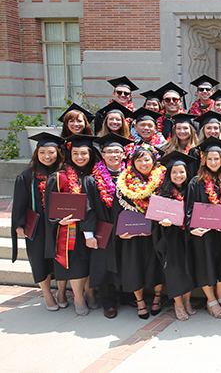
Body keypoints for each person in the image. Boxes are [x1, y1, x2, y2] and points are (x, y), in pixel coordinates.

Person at [185, 137, 221, 319]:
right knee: (205, 264)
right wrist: (192, 227)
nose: (213, 162)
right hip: (204, 234)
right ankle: (211, 300)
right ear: (204, 161)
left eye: (217, 158)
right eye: (209, 159)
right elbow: (190, 208)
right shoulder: (196, 182)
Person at [44, 134, 98, 316]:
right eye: (75, 153)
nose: (80, 157)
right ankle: (78, 298)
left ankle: (90, 293)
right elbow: (50, 205)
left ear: (90, 154)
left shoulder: (95, 175)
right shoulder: (59, 178)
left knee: (91, 263)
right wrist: (58, 220)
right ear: (70, 154)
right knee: (77, 264)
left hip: (93, 228)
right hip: (70, 229)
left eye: (84, 153)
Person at [11, 132, 64, 312]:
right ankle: (47, 294)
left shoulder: (62, 175)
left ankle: (62, 292)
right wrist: (19, 224)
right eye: (42, 152)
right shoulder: (27, 177)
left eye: (51, 152)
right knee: (39, 260)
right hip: (37, 225)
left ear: (58, 153)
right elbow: (19, 202)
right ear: (36, 154)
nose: (47, 156)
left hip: (58, 224)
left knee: (59, 258)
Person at [85, 134, 132, 319]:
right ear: (102, 154)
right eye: (109, 151)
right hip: (102, 228)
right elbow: (87, 207)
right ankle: (108, 302)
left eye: (117, 151)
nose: (114, 155)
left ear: (123, 154)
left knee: (127, 261)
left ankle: (128, 295)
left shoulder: (130, 176)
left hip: (125, 227)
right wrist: (88, 234)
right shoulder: (92, 179)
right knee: (104, 265)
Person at [116, 145, 166, 319]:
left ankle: (157, 298)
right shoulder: (124, 181)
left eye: (147, 159)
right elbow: (118, 209)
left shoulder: (162, 179)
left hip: (156, 231)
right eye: (139, 160)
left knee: (156, 265)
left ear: (153, 161)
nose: (143, 163)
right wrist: (120, 230)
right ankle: (140, 302)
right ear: (133, 162)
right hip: (132, 234)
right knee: (133, 267)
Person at [152, 151, 198, 321]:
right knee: (175, 271)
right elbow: (155, 216)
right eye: (175, 172)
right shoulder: (162, 192)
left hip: (187, 236)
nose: (178, 175)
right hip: (170, 238)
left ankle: (187, 301)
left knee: (189, 269)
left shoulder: (191, 190)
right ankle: (178, 303)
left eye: (182, 172)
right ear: (168, 174)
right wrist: (161, 221)